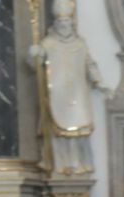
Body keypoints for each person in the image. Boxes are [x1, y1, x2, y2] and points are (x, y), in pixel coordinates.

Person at [26, 0, 104, 175]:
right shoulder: (47, 43)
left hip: (77, 95)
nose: (64, 25)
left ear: (72, 23)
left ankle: (80, 163)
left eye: (67, 21)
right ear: (55, 23)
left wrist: (98, 81)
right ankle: (61, 164)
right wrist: (34, 55)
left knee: (79, 131)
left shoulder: (80, 44)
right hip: (58, 95)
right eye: (60, 22)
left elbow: (89, 64)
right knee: (58, 132)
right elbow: (35, 66)